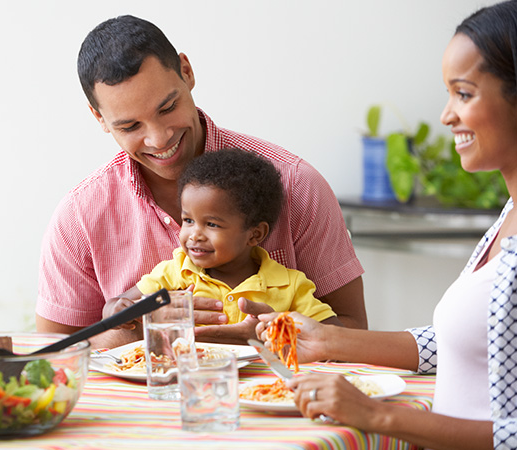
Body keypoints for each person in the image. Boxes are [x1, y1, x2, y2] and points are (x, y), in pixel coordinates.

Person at [257, 2, 517, 448]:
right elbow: (457, 344)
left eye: (464, 93)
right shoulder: (508, 217)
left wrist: (377, 415)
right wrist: (326, 340)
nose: (446, 115)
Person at [36, 14, 366, 348]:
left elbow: (355, 335)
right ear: (100, 118)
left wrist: (280, 335)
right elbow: (55, 357)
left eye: (168, 107)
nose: (159, 138)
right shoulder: (79, 217)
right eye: (130, 127)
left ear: (187, 72)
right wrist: (142, 329)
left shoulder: (296, 185)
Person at [103, 148, 342, 332]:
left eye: (212, 224)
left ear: (255, 234)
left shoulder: (289, 285)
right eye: (188, 220)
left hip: (266, 388)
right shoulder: (176, 272)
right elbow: (120, 305)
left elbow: (331, 335)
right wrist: (117, 310)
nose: (194, 234)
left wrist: (283, 326)